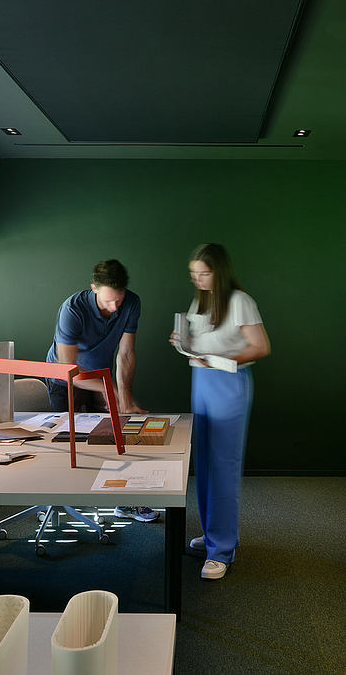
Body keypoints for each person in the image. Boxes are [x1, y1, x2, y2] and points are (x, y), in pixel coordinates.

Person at [171, 244, 270, 579]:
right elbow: (202, 343)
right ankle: (215, 535)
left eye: (204, 273)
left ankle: (222, 551)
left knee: (224, 465)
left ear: (219, 271)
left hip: (229, 383)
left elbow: (261, 346)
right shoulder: (202, 298)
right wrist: (183, 342)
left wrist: (221, 359)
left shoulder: (241, 301)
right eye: (194, 274)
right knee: (205, 463)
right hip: (202, 381)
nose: (197, 279)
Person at [46, 259, 157, 523]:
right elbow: (67, 368)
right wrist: (111, 391)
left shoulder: (131, 303)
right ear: (94, 288)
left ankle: (124, 503)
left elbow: (126, 354)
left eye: (118, 300)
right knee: (67, 443)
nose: (114, 307)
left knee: (112, 440)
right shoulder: (72, 309)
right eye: (108, 301)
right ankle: (58, 502)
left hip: (100, 375)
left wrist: (125, 400)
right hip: (65, 381)